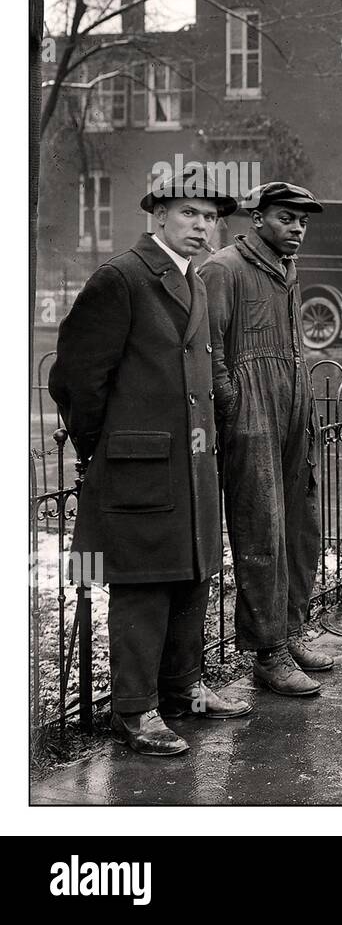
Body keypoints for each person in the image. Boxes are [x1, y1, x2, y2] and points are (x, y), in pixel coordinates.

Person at [49, 168, 251, 756]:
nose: (203, 225)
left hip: (189, 464)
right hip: (138, 465)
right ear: (157, 215)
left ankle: (184, 688)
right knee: (140, 584)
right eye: (190, 213)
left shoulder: (197, 280)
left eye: (211, 217)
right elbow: (76, 379)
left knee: (190, 572)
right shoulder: (123, 278)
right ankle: (134, 712)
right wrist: (103, 447)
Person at [200, 181, 329, 697]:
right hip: (252, 417)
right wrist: (232, 406)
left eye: (303, 220)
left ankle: (292, 629)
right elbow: (209, 352)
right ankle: (267, 651)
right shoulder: (224, 269)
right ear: (256, 219)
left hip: (293, 409)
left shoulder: (286, 269)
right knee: (261, 532)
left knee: (302, 527)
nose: (297, 228)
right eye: (285, 217)